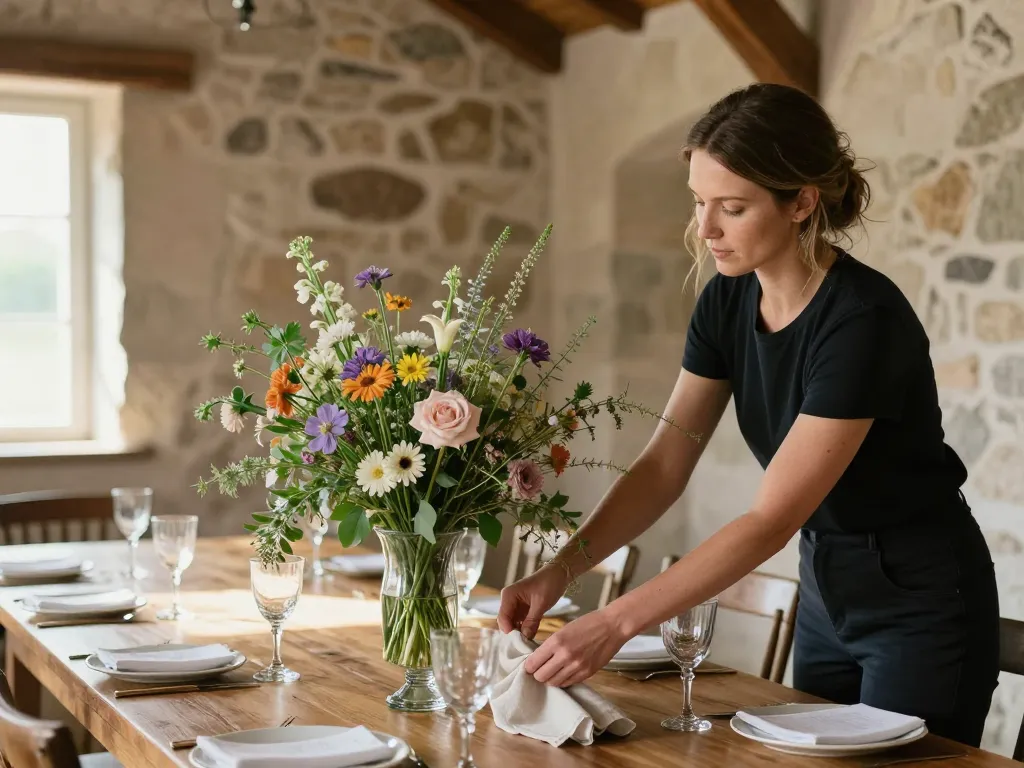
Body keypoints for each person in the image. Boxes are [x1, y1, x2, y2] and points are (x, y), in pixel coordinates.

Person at [497, 82, 999, 748]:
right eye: (700, 203)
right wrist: (560, 570)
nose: (705, 229)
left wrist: (615, 621)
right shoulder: (725, 302)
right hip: (824, 584)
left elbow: (771, 519)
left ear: (802, 203)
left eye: (732, 208)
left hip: (921, 598)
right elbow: (662, 465)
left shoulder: (862, 321)